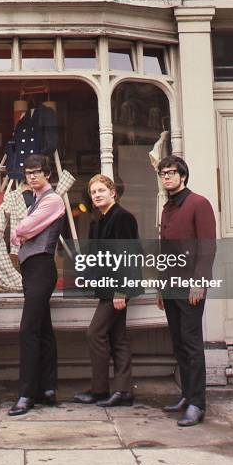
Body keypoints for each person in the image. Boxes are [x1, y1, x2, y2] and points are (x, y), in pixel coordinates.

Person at [156, 155, 216, 427]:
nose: (166, 177)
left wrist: (199, 282)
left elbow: (207, 247)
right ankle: (186, 395)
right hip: (170, 285)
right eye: (163, 173)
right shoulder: (167, 207)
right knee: (179, 343)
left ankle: (196, 404)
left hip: (190, 285)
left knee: (192, 344)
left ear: (183, 175)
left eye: (171, 172)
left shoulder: (199, 203)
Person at [73, 174, 139, 408]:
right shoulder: (97, 221)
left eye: (102, 190)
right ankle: (123, 391)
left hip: (117, 289)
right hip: (105, 288)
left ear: (113, 193)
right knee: (117, 337)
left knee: (95, 333)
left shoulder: (123, 218)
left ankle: (101, 390)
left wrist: (122, 291)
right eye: (94, 192)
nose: (97, 194)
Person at [8, 154, 66, 416]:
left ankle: (26, 394)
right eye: (28, 173)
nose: (31, 176)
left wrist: (19, 230)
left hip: (41, 268)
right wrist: (20, 231)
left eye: (36, 172)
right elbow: (22, 232)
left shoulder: (52, 200)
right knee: (43, 330)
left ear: (48, 175)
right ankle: (48, 388)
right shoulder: (39, 200)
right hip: (33, 269)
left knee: (28, 331)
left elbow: (24, 230)